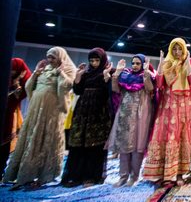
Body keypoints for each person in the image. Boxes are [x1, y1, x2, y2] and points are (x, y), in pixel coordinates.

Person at [4, 47, 76, 190]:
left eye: (53, 57)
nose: (50, 60)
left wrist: (60, 72)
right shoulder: (44, 69)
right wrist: (36, 73)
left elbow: (67, 86)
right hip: (36, 109)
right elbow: (29, 87)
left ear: (60, 57)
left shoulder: (68, 69)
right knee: (31, 137)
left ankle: (44, 175)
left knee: (45, 139)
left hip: (52, 111)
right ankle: (23, 174)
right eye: (48, 57)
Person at [143, 38, 191, 186]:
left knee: (182, 135)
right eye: (174, 49)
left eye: (180, 49)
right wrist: (161, 65)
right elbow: (159, 84)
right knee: (166, 135)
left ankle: (180, 173)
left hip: (185, 105)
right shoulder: (167, 63)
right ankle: (165, 173)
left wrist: (186, 64)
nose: (177, 52)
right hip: (168, 104)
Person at [61, 48, 114, 187]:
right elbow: (78, 91)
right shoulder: (86, 73)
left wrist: (106, 76)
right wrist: (78, 77)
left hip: (99, 111)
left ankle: (91, 176)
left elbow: (109, 93)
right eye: (92, 61)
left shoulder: (108, 71)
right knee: (78, 142)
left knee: (95, 144)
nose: (94, 63)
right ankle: (75, 175)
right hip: (83, 110)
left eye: (97, 60)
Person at [108, 54, 155, 187]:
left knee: (137, 146)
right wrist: (116, 74)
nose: (134, 66)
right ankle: (123, 176)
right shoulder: (125, 76)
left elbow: (150, 89)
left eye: (137, 63)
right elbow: (115, 89)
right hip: (125, 113)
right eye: (133, 63)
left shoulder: (147, 75)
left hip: (141, 114)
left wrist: (146, 73)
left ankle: (134, 177)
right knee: (124, 144)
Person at [1, 59, 31, 179]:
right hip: (7, 111)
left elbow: (20, 94)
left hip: (10, 113)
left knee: (5, 144)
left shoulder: (22, 76)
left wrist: (16, 83)